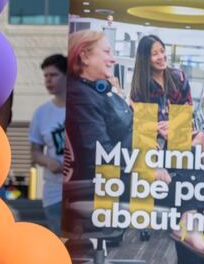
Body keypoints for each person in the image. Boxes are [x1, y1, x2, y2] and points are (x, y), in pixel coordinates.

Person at [129, 35, 204, 264]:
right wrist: (155, 126)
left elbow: (185, 117)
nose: (161, 57)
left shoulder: (179, 79)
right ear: (145, 58)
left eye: (163, 51)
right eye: (155, 53)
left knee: (189, 182)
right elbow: (136, 130)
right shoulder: (140, 87)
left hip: (176, 144)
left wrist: (177, 128)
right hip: (151, 151)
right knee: (195, 200)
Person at [64, 30, 133, 241]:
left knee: (185, 156)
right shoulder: (79, 95)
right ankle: (189, 229)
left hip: (119, 171)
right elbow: (100, 153)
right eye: (106, 51)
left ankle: (189, 225)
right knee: (182, 180)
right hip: (103, 182)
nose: (112, 59)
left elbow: (124, 121)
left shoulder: (94, 89)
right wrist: (145, 163)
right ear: (84, 56)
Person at [28, 53, 67, 227]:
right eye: (46, 76)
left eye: (53, 75)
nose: (48, 80)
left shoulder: (83, 108)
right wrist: (48, 161)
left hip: (82, 191)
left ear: (66, 76)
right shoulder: (41, 113)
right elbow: (35, 152)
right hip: (54, 193)